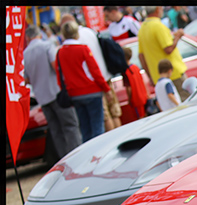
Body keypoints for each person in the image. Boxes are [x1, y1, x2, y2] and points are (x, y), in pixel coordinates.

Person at [23, 24, 82, 159]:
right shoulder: (46, 46)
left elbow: (26, 79)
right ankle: (78, 156)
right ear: (38, 34)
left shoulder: (25, 54)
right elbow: (55, 65)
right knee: (70, 126)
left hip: (41, 97)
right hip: (56, 92)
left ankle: (64, 159)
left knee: (56, 131)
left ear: (28, 37)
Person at [60, 13, 122, 132]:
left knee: (101, 120)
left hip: (90, 86)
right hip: (104, 77)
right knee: (114, 113)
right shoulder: (89, 32)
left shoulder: (70, 47)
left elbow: (91, 70)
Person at [56, 20, 110, 142]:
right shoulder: (83, 49)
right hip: (91, 91)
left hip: (75, 94)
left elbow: (60, 77)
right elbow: (95, 71)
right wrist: (106, 88)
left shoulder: (60, 52)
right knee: (97, 128)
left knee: (85, 129)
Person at [137, 6, 190, 101]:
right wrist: (178, 36)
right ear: (158, 9)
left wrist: (150, 76)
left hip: (158, 76)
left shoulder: (142, 29)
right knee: (186, 101)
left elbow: (141, 56)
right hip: (173, 73)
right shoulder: (158, 26)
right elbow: (168, 49)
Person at [122, 47, 149, 120]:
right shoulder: (135, 67)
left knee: (140, 119)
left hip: (136, 99)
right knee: (145, 115)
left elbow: (129, 88)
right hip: (143, 96)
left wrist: (129, 99)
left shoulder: (126, 71)